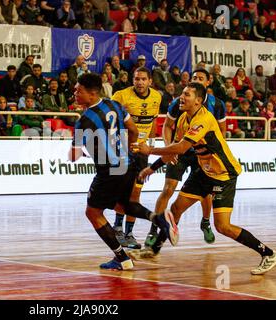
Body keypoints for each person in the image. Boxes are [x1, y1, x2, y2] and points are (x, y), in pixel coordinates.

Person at [135, 82, 276, 275]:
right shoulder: (182, 119)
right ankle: (153, 250)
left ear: (198, 100)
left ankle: (268, 254)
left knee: (222, 226)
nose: (182, 97)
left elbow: (180, 148)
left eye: (187, 94)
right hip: (204, 172)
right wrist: (152, 168)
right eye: (182, 93)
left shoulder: (203, 119)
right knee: (176, 209)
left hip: (223, 175)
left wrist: (150, 150)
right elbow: (174, 152)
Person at [69, 72, 178, 270]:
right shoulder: (115, 105)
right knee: (123, 205)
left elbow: (73, 156)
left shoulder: (84, 120)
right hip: (128, 163)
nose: (75, 93)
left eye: (79, 91)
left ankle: (122, 258)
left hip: (109, 171)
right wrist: (127, 149)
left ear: (92, 94)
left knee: (93, 212)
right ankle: (159, 219)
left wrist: (84, 152)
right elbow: (134, 130)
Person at [145, 69, 226, 248]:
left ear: (208, 83)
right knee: (168, 189)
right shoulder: (179, 102)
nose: (196, 80)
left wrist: (214, 153)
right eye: (194, 77)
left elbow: (222, 131)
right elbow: (167, 126)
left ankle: (205, 222)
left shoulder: (217, 105)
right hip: (180, 149)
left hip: (202, 155)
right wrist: (168, 149)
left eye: (200, 78)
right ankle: (154, 227)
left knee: (206, 194)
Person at [110, 67, 162, 249]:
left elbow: (154, 120)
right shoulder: (121, 95)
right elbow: (109, 119)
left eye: (143, 79)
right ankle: (117, 228)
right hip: (122, 149)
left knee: (135, 192)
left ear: (149, 81)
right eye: (136, 79)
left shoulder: (157, 96)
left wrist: (151, 143)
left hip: (141, 151)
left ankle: (129, 233)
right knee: (121, 190)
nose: (139, 82)